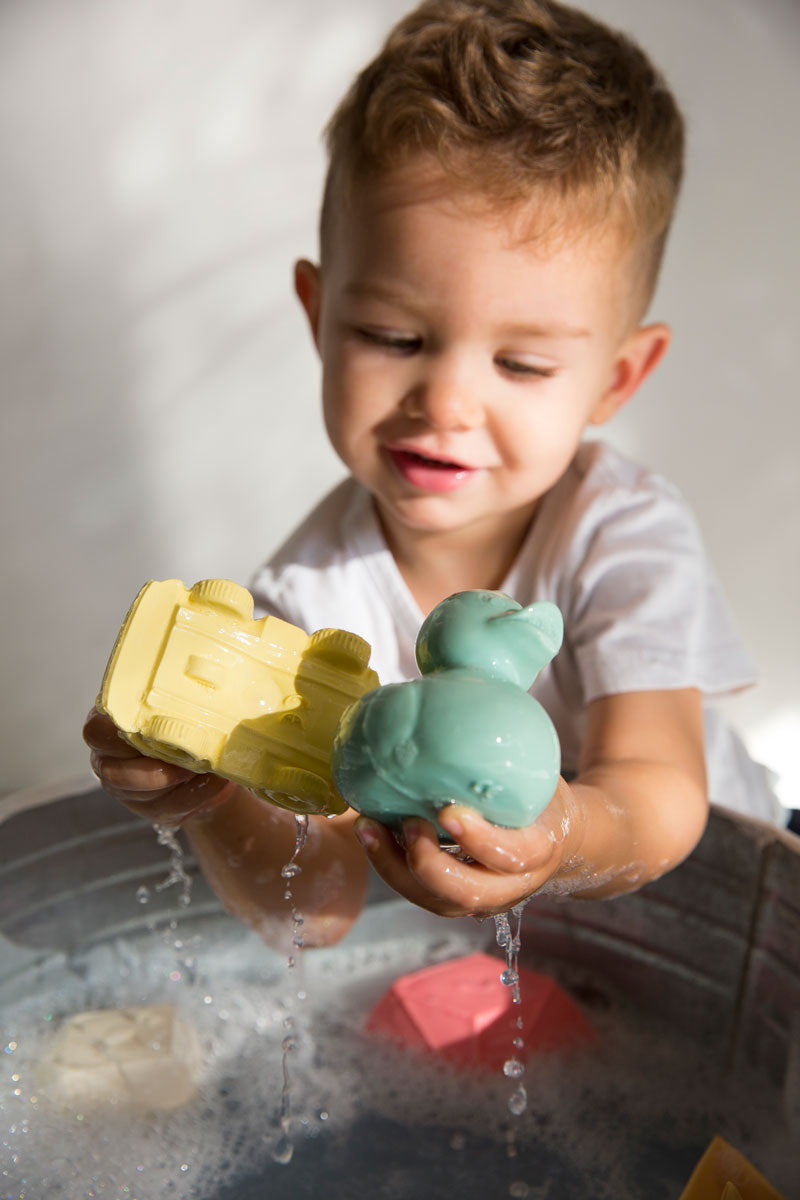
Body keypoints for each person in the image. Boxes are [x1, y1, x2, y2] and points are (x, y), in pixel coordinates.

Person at [84, 0, 780, 953]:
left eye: (522, 365)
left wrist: (556, 837)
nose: (445, 401)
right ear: (317, 313)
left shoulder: (620, 533)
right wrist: (215, 795)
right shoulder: (306, 600)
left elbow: (658, 797)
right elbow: (317, 910)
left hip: (725, 922)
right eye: (392, 338)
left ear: (616, 379)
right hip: (543, 958)